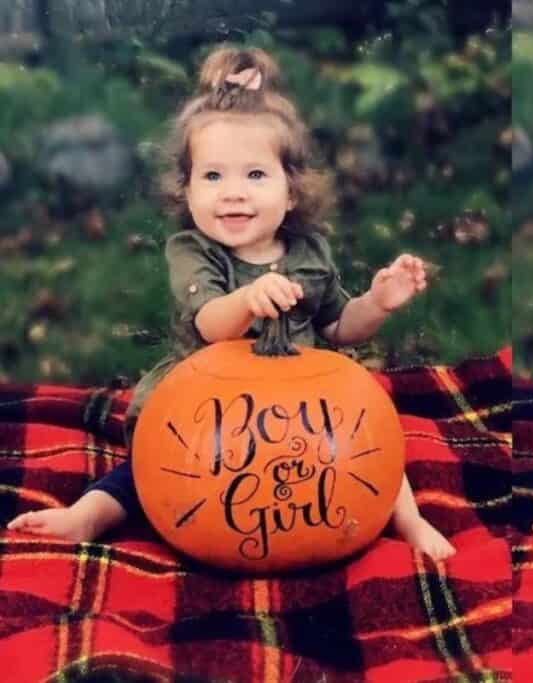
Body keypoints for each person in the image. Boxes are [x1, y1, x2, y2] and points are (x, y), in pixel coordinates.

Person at [8, 47, 456, 560]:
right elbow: (211, 323)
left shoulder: (309, 251)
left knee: (372, 449)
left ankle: (412, 523)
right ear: (187, 190)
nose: (233, 194)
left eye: (255, 175)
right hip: (206, 414)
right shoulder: (193, 252)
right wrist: (247, 299)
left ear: (292, 191)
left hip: (306, 408)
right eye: (213, 176)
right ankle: (86, 516)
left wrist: (378, 302)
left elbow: (338, 328)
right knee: (156, 467)